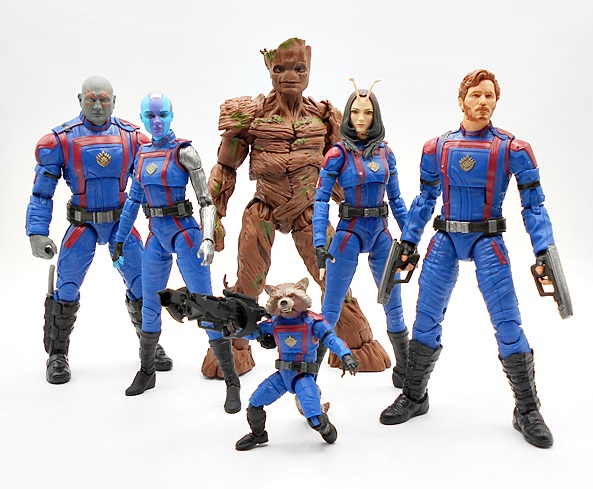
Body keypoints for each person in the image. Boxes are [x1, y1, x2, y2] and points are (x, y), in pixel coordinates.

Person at [379, 69, 556, 448]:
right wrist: (408, 241)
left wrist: (544, 250)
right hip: (446, 236)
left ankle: (527, 409)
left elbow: (534, 205)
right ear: (462, 100)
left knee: (507, 322)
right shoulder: (438, 147)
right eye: (476, 94)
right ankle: (414, 395)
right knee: (425, 317)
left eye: (490, 95)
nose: (483, 101)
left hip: (488, 239)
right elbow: (425, 199)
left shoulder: (512, 149)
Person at [207, 38, 391, 377]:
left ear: (309, 71)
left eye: (299, 68)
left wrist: (364, 211)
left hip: (309, 211)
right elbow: (225, 167)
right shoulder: (250, 115)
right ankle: (232, 351)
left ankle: (356, 345)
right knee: (247, 283)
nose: (290, 75)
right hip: (264, 206)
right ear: (269, 70)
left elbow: (350, 165)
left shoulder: (325, 117)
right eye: (280, 68)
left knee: (334, 278)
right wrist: (214, 218)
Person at [26, 75, 172, 385]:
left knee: (143, 285)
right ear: (80, 101)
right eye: (91, 99)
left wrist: (162, 225)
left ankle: (150, 347)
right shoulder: (60, 141)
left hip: (122, 225)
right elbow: (42, 192)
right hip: (83, 224)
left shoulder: (133, 138)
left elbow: (152, 184)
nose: (97, 106)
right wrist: (37, 231)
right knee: (66, 288)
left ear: (114, 102)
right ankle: (57, 354)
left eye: (104, 100)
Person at [112, 93, 241, 414]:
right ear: (143, 118)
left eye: (162, 115)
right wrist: (120, 238)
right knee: (149, 303)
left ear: (171, 116)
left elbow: (205, 200)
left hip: (185, 233)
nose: (156, 121)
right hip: (156, 235)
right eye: (150, 115)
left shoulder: (185, 152)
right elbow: (132, 201)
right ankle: (147, 371)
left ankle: (232, 382)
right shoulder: (142, 155)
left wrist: (207, 237)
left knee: (206, 306)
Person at [312, 80, 409, 387]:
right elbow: (320, 201)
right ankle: (308, 377)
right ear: (348, 115)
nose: (361, 118)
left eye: (367, 112)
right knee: (331, 307)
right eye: (355, 112)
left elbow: (397, 199)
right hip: (349, 233)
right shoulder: (337, 154)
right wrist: (319, 244)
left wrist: (410, 238)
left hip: (380, 233)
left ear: (375, 115)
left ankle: (407, 371)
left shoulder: (386, 154)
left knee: (394, 303)